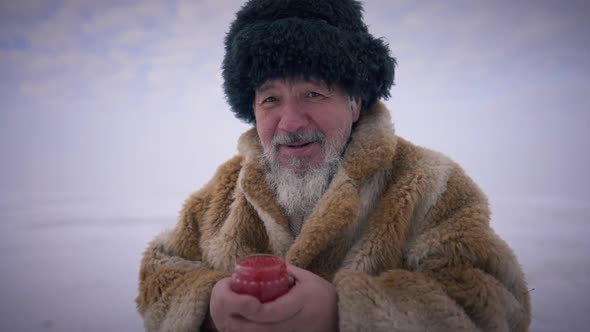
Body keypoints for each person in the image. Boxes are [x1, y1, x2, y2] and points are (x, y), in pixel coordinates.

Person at [135, 0, 531, 331]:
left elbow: (497, 302)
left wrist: (344, 310)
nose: (289, 123)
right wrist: (208, 302)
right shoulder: (225, 189)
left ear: (355, 102)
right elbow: (159, 273)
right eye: (270, 99)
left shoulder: (429, 183)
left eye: (312, 93)